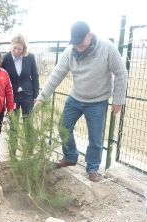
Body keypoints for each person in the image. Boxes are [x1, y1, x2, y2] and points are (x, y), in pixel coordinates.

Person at [34, 21, 128, 182]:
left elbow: (121, 72)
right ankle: (70, 156)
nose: (78, 46)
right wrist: (42, 98)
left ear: (89, 36)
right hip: (75, 98)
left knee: (95, 137)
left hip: (98, 101)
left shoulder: (107, 48)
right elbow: (57, 74)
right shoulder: (71, 51)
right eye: (75, 43)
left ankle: (92, 168)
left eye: (81, 42)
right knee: (63, 126)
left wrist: (118, 100)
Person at [1, 34, 39, 154]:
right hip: (12, 95)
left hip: (27, 94)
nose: (17, 51)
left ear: (24, 48)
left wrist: (35, 95)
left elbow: (35, 76)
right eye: (15, 48)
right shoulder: (5, 58)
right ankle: (13, 151)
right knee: (13, 123)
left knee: (28, 122)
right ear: (11, 46)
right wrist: (4, 97)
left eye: (20, 49)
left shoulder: (30, 57)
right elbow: (2, 77)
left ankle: (29, 149)